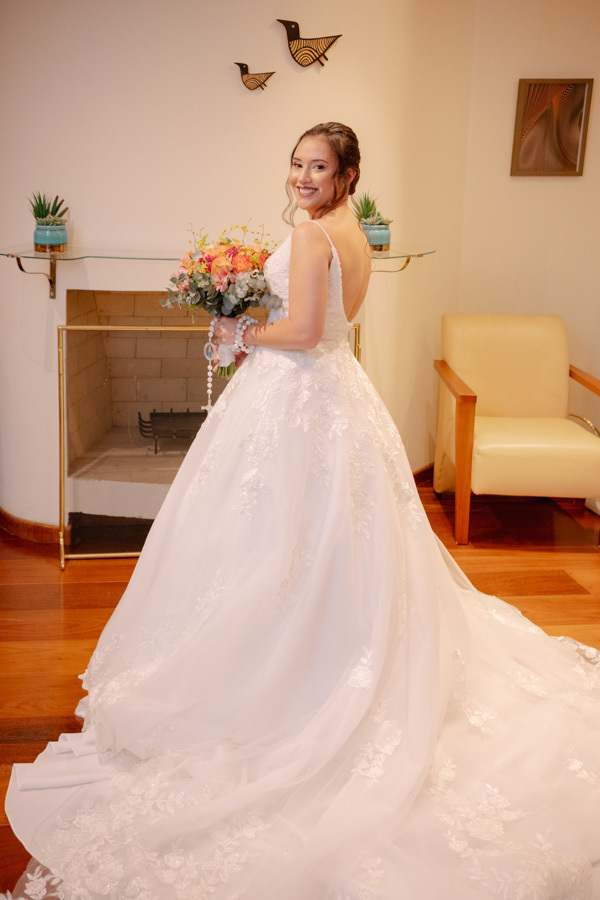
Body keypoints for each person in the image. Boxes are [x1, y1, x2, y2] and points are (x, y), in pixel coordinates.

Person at [4, 122, 600, 900]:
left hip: (298, 398)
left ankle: (284, 679)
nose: (303, 176)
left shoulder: (317, 235)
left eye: (319, 166)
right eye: (296, 164)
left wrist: (236, 326)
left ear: (347, 174)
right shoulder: (353, 232)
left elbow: (307, 331)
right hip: (338, 398)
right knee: (326, 544)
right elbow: (336, 328)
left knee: (275, 546)